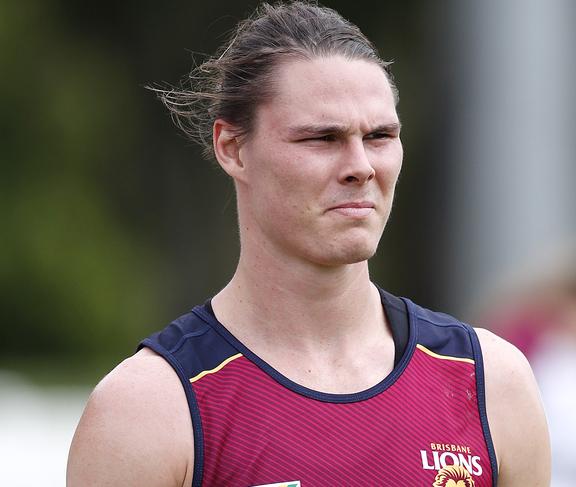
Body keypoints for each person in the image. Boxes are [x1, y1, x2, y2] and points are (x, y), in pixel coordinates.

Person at [67, 2, 550, 486]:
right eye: (322, 138)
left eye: (380, 135)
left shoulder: (489, 382)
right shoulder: (149, 408)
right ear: (232, 149)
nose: (361, 166)